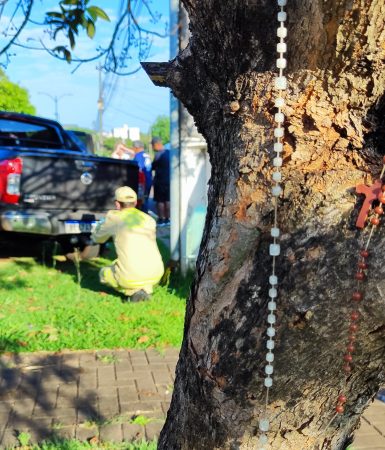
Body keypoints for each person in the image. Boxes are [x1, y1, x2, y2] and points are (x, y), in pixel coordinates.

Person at [91, 186, 164, 301]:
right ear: (135, 202)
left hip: (130, 276)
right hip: (156, 273)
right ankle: (144, 289)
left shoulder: (115, 218)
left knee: (103, 273)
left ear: (117, 204)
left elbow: (97, 238)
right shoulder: (148, 219)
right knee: (131, 266)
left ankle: (132, 292)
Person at [151, 137, 170, 227]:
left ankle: (161, 219)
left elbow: (153, 167)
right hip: (169, 180)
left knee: (160, 201)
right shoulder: (169, 153)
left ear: (156, 144)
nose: (152, 148)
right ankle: (168, 219)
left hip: (160, 181)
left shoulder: (158, 155)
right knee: (168, 200)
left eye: (152, 145)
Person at [132, 140, 152, 212]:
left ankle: (143, 216)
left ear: (136, 148)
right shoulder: (146, 155)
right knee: (145, 198)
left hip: (142, 181)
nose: (133, 150)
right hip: (149, 179)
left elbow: (139, 169)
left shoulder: (138, 156)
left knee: (141, 200)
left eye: (133, 148)